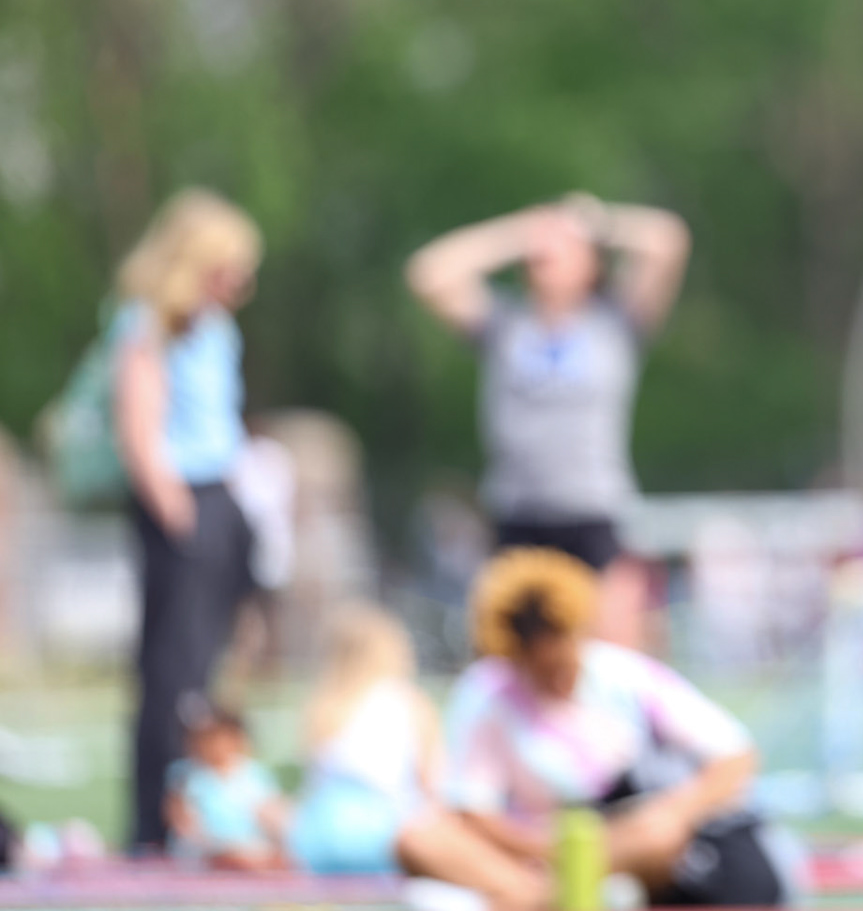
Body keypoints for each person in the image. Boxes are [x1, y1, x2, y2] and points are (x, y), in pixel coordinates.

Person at [443, 549, 787, 906]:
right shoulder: (487, 694)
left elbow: (735, 755)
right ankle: (543, 890)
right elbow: (472, 809)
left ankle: (542, 896)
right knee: (420, 837)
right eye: (543, 671)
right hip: (529, 847)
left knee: (657, 835)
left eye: (564, 664)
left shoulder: (623, 676)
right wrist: (543, 848)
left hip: (624, 842)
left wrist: (673, 809)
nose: (558, 680)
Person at [405, 195, 691, 572]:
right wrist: (518, 232)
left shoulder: (615, 324)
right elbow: (428, 274)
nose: (549, 254)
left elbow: (668, 241)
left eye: (566, 248)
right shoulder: (505, 325)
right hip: (518, 515)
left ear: (591, 263)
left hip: (592, 514)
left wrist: (596, 223)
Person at [112, 188, 262, 851]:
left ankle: (203, 810)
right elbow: (140, 426)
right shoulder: (147, 323)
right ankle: (153, 823)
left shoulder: (216, 325)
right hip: (181, 500)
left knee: (209, 669)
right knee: (171, 673)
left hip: (221, 492)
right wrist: (177, 511)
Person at [287, 604, 545, 911]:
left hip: (314, 840)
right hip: (387, 836)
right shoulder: (406, 702)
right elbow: (434, 788)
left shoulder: (325, 708)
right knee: (507, 884)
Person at [165, 702, 285, 871]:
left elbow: (273, 814)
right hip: (206, 850)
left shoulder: (253, 775)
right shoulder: (185, 775)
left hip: (248, 846)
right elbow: (183, 823)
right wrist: (212, 844)